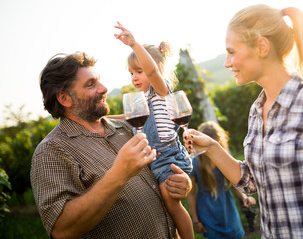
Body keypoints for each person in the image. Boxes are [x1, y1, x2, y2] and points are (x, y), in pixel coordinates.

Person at [183, 4, 303, 239]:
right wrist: (212, 148)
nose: (227, 62)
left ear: (262, 47)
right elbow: (252, 182)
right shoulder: (256, 111)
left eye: (232, 51)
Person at [30, 51, 192, 239]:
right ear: (64, 98)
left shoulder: (127, 128)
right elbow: (62, 230)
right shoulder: (52, 151)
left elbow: (161, 172)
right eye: (91, 84)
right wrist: (119, 174)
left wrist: (180, 183)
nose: (104, 88)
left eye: (99, 80)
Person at [112, 22, 194, 239]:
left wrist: (134, 44)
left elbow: (152, 71)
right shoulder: (144, 99)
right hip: (154, 159)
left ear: (155, 69)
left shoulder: (161, 90)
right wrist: (103, 118)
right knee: (165, 207)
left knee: (172, 204)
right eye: (131, 73)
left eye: (139, 71)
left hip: (169, 157)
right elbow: (129, 118)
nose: (135, 77)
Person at [187, 121, 256, 239]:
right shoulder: (195, 162)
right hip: (206, 209)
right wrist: (195, 220)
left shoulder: (224, 157)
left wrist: (244, 197)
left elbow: (234, 182)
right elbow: (191, 193)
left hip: (226, 207)